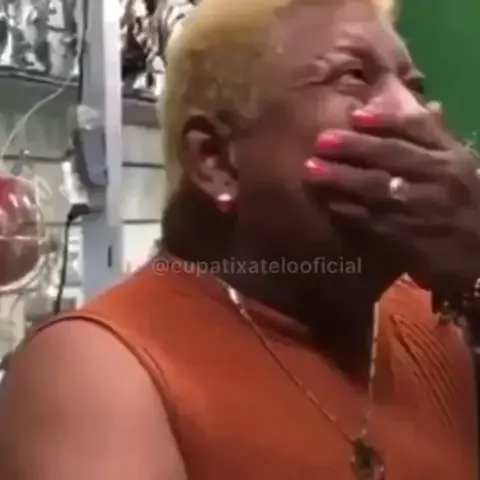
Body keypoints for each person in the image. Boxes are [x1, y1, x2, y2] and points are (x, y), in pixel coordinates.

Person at [0, 0, 479, 478]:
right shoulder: (95, 370)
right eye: (353, 75)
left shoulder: (435, 319)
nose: (414, 113)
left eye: (414, 86)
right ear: (215, 160)